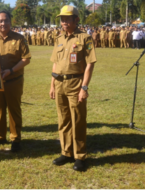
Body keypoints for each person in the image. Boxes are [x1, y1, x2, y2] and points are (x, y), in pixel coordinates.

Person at [50, 5, 96, 171]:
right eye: (62, 19)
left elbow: (90, 64)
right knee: (63, 120)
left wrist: (84, 87)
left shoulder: (85, 38)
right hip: (59, 83)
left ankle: (80, 156)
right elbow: (55, 63)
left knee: (77, 120)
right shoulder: (59, 39)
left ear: (76, 19)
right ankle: (66, 152)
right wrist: (52, 85)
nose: (64, 22)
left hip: (76, 83)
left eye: (67, 19)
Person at [0, 11, 31, 152]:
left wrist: (11, 71)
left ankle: (15, 138)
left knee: (14, 110)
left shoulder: (19, 39)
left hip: (14, 80)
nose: (3, 23)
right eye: (0, 21)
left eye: (6, 20)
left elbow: (26, 59)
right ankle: (0, 136)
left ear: (10, 22)